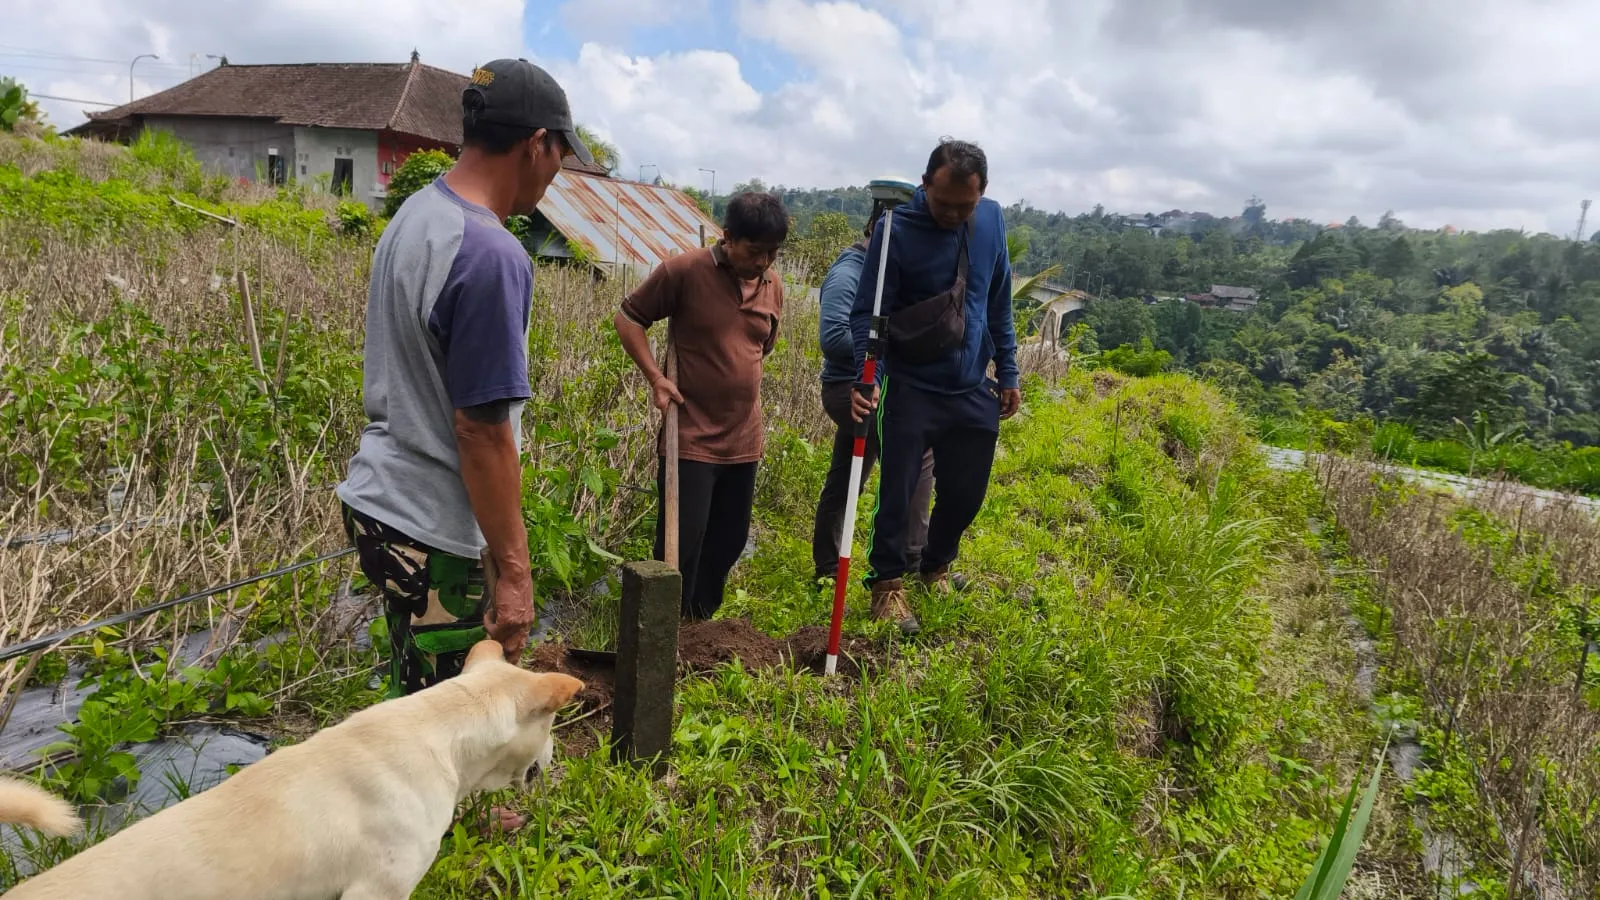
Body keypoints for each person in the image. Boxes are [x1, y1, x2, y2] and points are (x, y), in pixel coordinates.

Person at [335, 59, 591, 835]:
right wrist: (513, 569)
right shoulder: (491, 255)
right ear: (538, 144)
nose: (556, 173)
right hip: (431, 521)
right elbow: (482, 430)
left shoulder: (417, 214)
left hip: (380, 503)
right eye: (560, 155)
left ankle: (388, 805)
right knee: (455, 708)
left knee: (416, 685)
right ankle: (451, 828)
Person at [850, 139, 1021, 634]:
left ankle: (937, 566)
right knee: (899, 493)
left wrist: (1008, 370)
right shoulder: (894, 232)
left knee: (967, 493)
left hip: (971, 386)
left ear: (982, 194)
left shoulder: (990, 222)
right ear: (924, 185)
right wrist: (870, 376)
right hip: (910, 385)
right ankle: (886, 586)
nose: (951, 214)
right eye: (942, 202)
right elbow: (870, 313)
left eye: (963, 206)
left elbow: (999, 300)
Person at [612, 191, 789, 620]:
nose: (763, 262)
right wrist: (657, 377)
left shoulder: (773, 285)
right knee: (681, 539)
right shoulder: (685, 272)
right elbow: (628, 318)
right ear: (727, 238)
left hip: (744, 435)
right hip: (689, 433)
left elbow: (761, 347)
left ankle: (700, 621)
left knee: (729, 539)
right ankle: (661, 623)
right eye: (754, 251)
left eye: (771, 253)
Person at [811, 180, 937, 590]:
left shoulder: (900, 272)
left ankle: (829, 563)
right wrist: (892, 347)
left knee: (851, 468)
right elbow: (833, 337)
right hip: (850, 384)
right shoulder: (849, 271)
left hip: (887, 384)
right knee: (919, 458)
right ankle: (912, 559)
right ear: (875, 228)